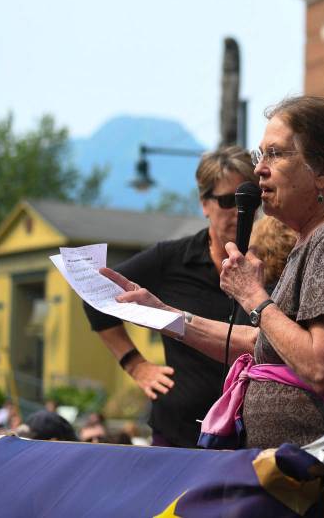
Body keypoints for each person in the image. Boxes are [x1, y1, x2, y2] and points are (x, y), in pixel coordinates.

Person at [101, 96, 324, 453]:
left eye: (275, 154)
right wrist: (163, 315)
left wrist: (253, 296)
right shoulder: (313, 238)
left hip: (315, 473)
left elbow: (321, 368)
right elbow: (265, 343)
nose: (260, 169)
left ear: (323, 171)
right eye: (260, 155)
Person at [82, 146, 257, 447]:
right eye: (229, 201)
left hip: (248, 436)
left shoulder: (273, 260)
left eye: (250, 201)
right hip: (179, 434)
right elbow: (95, 297)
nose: (239, 212)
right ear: (204, 203)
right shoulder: (171, 258)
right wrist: (135, 364)